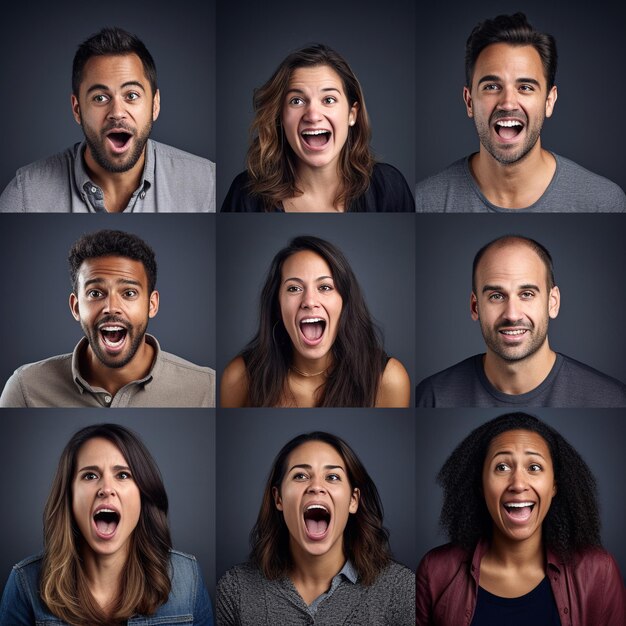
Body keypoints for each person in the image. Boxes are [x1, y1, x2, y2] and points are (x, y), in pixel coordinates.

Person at [416, 412, 626, 625]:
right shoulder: (435, 571)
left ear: (554, 485)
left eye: (534, 467)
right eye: (502, 467)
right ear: (481, 485)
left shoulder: (600, 572)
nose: (518, 484)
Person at [0, 423, 214, 625]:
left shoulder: (188, 578)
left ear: (143, 494)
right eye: (90, 475)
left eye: (122, 475)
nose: (106, 488)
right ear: (69, 497)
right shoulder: (25, 584)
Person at [415, 12, 626, 212]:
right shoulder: (424, 200)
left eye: (525, 87)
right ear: (469, 101)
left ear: (549, 101)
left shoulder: (604, 202)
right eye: (491, 87)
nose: (508, 104)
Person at [0, 27, 215, 213]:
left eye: (131, 95)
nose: (117, 112)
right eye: (100, 98)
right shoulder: (25, 196)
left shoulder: (206, 184)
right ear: (77, 109)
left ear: (155, 104)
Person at [217, 431, 415, 624]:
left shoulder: (400, 589)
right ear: (279, 499)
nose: (316, 486)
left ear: (353, 500)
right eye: (301, 476)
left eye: (332, 477)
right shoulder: (235, 590)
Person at [0, 229, 215, 407]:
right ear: (76, 307)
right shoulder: (25, 389)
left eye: (129, 293)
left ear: (152, 304)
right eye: (95, 293)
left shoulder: (207, 389)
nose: (111, 308)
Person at [415, 235, 626, 407]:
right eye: (496, 296)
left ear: (553, 303)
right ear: (475, 306)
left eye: (527, 294)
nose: (512, 314)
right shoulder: (433, 396)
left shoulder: (612, 399)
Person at [221, 43, 414, 212]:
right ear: (279, 116)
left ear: (351, 114)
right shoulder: (246, 195)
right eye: (296, 101)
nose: (313, 115)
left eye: (328, 99)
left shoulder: (388, 188)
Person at [220, 235, 410, 407]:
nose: (309, 302)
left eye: (325, 287)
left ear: (344, 302)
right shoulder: (240, 377)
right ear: (277, 306)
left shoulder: (388, 379)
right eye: (294, 288)